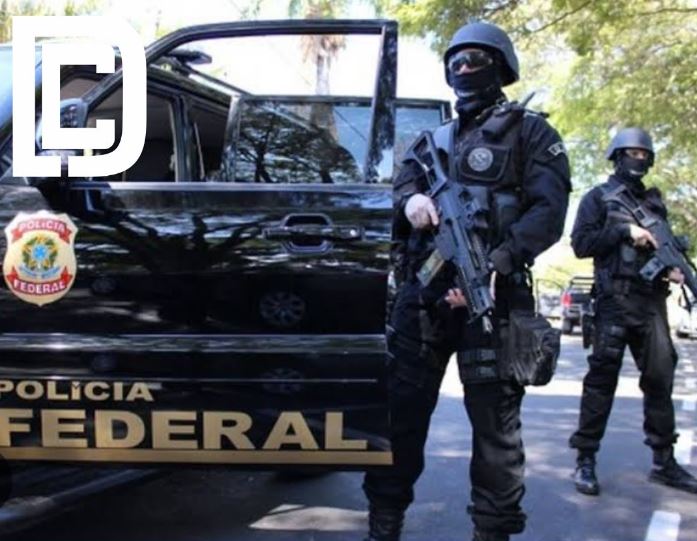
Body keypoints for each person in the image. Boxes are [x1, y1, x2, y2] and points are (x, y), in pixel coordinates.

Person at [362, 21, 571, 541]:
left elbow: (548, 213)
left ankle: (492, 531)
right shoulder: (427, 143)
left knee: (497, 433)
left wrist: (497, 263)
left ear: (501, 67)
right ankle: (384, 523)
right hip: (423, 302)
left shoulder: (533, 134)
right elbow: (392, 198)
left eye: (475, 59)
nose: (463, 68)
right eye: (455, 60)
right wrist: (411, 202)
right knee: (400, 418)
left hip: (493, 299)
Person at [569, 127, 697, 496]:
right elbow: (581, 244)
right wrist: (625, 231)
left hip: (651, 304)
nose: (637, 159)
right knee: (601, 383)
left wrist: (672, 270)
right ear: (617, 156)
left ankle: (664, 462)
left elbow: (660, 250)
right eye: (631, 153)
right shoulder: (598, 198)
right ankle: (585, 460)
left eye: (643, 154)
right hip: (614, 301)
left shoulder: (655, 204)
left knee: (660, 379)